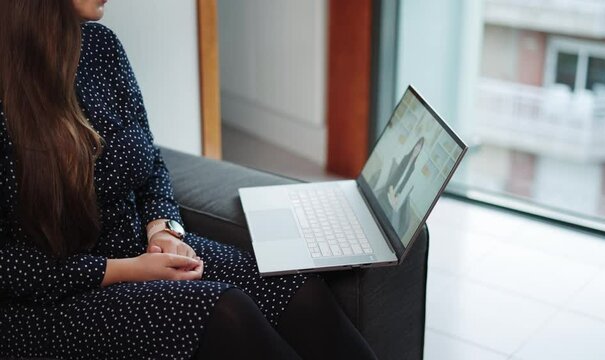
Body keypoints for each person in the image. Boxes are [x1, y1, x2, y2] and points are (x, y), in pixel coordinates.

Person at [0, 1, 377, 359]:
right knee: (225, 312)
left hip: (141, 250)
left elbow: (150, 160)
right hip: (52, 298)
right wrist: (124, 270)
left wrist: (163, 231)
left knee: (297, 290)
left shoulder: (101, 46)